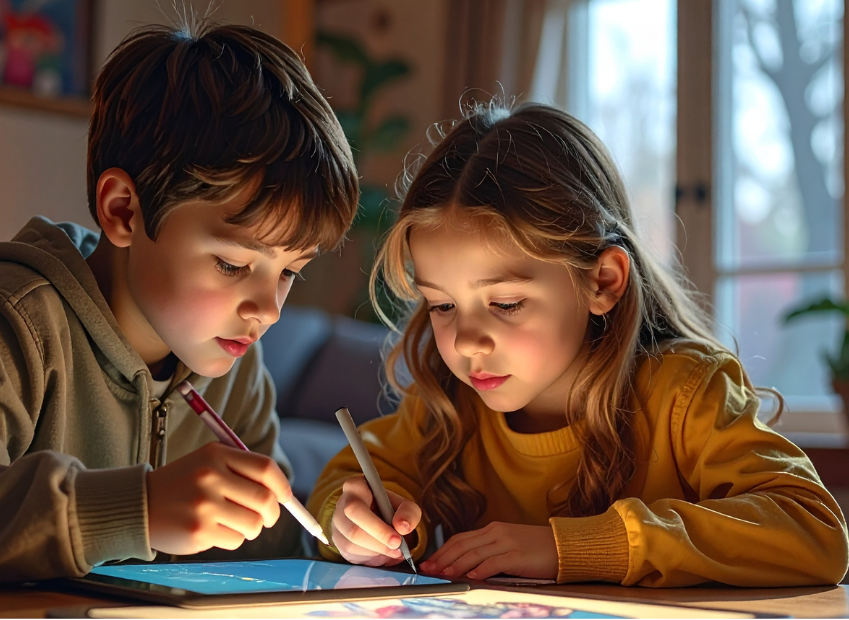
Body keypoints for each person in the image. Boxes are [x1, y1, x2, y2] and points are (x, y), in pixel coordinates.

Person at [0, 21, 358, 584]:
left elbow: (273, 545)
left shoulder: (234, 362)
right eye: (232, 265)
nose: (268, 309)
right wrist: (134, 509)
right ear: (123, 211)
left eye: (290, 273)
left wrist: (343, 535)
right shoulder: (18, 317)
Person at [308, 101, 849, 587]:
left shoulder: (686, 392)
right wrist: (352, 517)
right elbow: (348, 482)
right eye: (443, 305)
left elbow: (815, 531)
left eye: (505, 303)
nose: (467, 342)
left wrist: (574, 547)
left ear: (602, 282)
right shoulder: (448, 405)